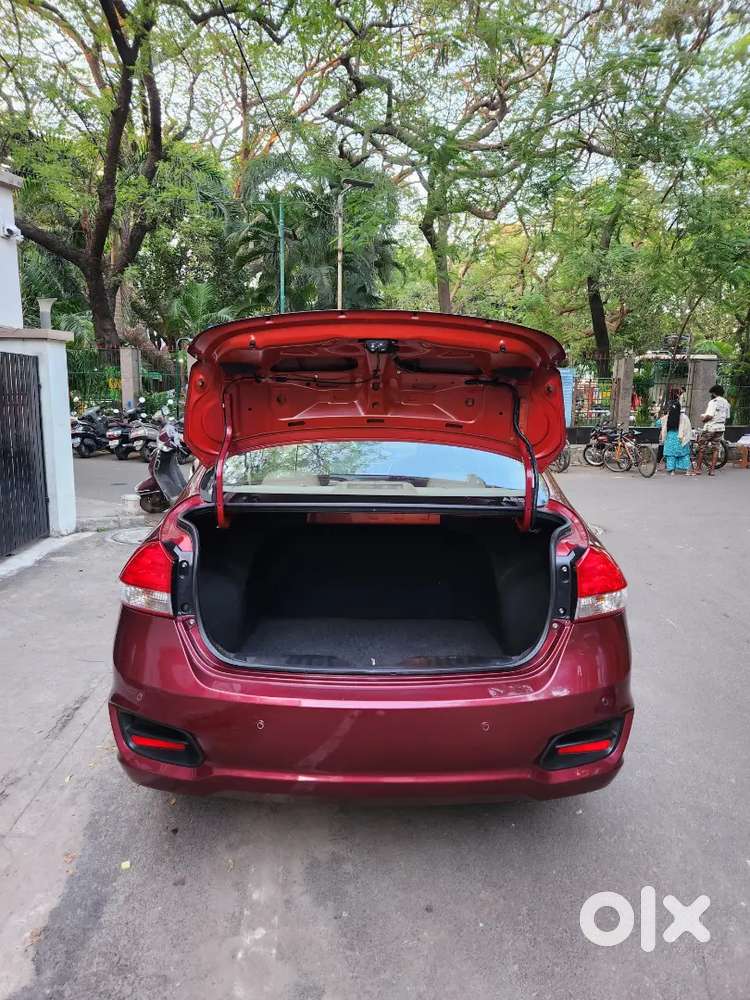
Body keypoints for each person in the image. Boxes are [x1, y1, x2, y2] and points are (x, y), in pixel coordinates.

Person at [692, 384, 731, 476]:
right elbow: (727, 417)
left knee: (701, 448)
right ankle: (712, 470)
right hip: (720, 428)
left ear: (713, 393)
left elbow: (709, 415)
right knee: (715, 449)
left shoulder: (713, 402)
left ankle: (697, 469)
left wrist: (703, 419)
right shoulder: (726, 403)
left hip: (710, 428)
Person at [659, 400, 691, 475]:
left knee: (671, 455)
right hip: (680, 438)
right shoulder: (684, 417)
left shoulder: (666, 417)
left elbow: (659, 423)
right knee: (684, 455)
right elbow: (688, 429)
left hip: (670, 438)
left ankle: (672, 471)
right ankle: (687, 470)